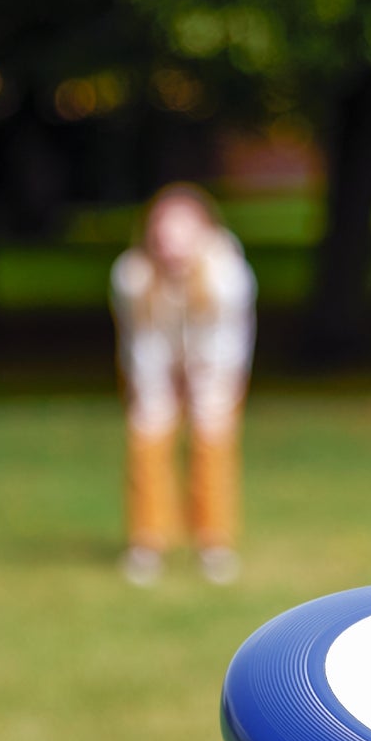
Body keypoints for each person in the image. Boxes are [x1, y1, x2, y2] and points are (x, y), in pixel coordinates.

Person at [110, 183, 257, 586]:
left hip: (215, 368)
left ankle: (214, 543)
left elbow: (228, 342)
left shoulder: (228, 275)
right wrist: (157, 390)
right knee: (147, 439)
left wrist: (204, 385)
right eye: (163, 232)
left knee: (212, 443)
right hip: (154, 366)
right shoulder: (132, 275)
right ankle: (147, 542)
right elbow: (141, 342)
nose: (171, 243)